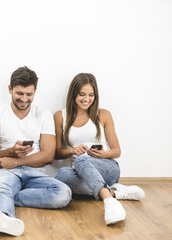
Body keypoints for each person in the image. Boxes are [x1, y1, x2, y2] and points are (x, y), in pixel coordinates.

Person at [0, 66, 71, 236]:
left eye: (29, 94)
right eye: (19, 93)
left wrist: (17, 161)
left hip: (36, 172)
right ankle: (5, 217)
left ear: (35, 92)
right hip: (6, 171)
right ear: (10, 89)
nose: (24, 99)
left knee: (63, 194)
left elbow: (49, 156)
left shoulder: (43, 114)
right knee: (1, 184)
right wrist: (10, 153)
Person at [54, 73, 145, 226]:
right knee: (62, 175)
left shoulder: (103, 114)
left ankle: (110, 203)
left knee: (82, 160)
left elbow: (117, 151)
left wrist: (103, 154)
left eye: (91, 95)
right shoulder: (60, 116)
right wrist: (72, 150)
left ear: (95, 96)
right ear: (73, 93)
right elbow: (56, 153)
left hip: (107, 167)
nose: (86, 99)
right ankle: (114, 193)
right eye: (82, 94)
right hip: (80, 173)